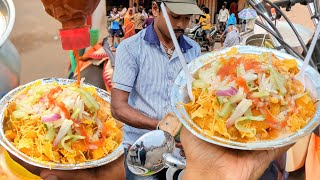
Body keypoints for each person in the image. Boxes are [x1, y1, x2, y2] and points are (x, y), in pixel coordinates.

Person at [111, 0, 203, 179]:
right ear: (155, 9)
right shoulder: (130, 49)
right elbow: (118, 108)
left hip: (182, 151)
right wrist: (162, 127)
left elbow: (196, 99)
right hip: (143, 150)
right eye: (175, 17)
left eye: (187, 18)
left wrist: (189, 136)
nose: (181, 25)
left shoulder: (194, 50)